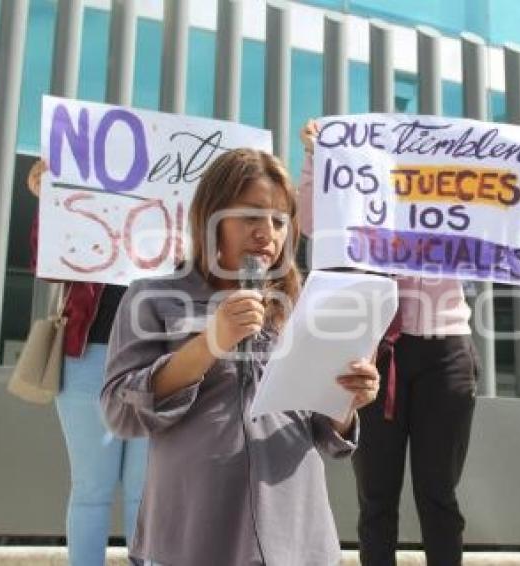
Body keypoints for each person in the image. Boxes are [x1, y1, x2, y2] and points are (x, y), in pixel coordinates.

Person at [99, 148, 380, 566]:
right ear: (211, 217)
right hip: (193, 531)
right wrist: (210, 342)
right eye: (251, 216)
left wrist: (347, 401)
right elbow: (120, 412)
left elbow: (324, 432)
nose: (267, 233)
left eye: (280, 221)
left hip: (295, 535)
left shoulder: (303, 307)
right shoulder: (152, 297)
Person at [298, 120, 520, 565]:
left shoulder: (452, 195)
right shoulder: (363, 193)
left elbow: (504, 226)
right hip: (376, 352)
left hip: (446, 351)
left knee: (438, 493)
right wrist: (315, 157)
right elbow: (311, 222)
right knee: (375, 495)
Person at [27, 159, 148, 566]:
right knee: (92, 489)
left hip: (156, 366)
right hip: (89, 360)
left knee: (146, 489)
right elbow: (46, 265)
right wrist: (51, 202)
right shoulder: (90, 213)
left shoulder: (170, 220)